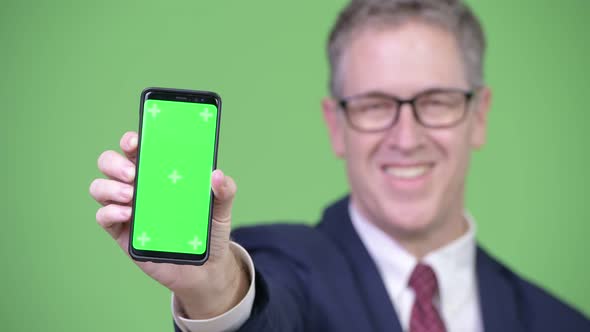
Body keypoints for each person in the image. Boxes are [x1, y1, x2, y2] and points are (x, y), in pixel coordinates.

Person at [89, 0, 590, 331]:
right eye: (375, 104)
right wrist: (214, 289)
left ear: (478, 116)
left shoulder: (561, 323)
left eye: (436, 101)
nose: (406, 137)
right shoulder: (281, 265)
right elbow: (264, 313)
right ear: (336, 125)